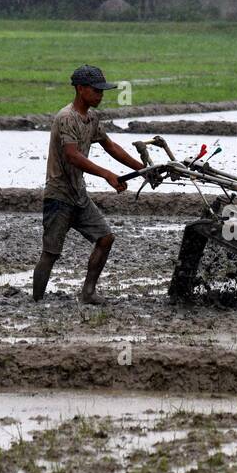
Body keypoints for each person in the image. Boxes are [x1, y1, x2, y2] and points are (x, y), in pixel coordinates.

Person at [33, 64, 143, 305]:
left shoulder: (92, 117)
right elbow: (72, 155)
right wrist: (106, 174)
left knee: (105, 239)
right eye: (96, 90)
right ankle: (37, 301)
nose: (100, 95)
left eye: (102, 91)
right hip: (59, 196)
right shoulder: (66, 118)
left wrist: (141, 169)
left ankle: (88, 292)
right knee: (51, 253)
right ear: (81, 89)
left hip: (79, 196)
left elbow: (110, 146)